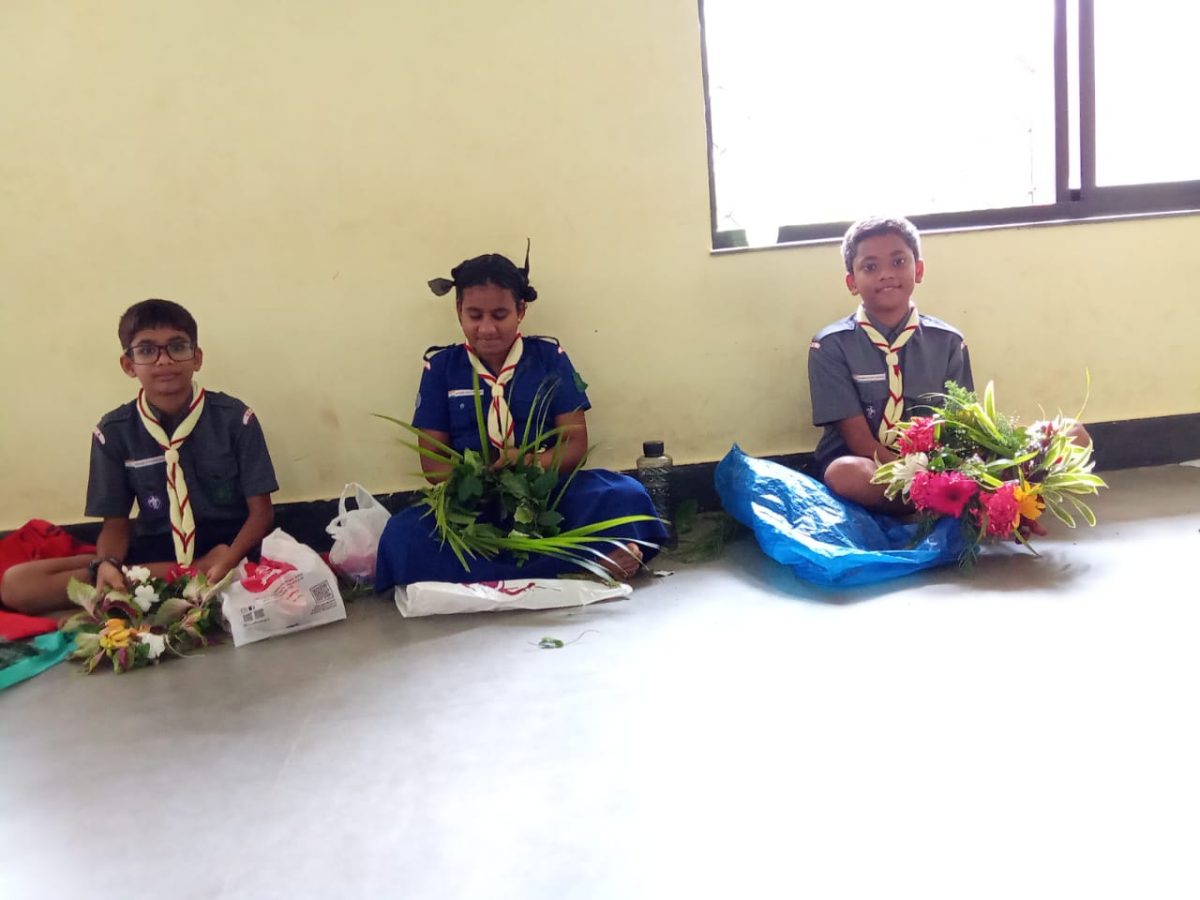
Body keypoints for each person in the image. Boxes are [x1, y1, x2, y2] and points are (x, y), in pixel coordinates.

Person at [374, 249, 668, 590]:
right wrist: (479, 479)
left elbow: (574, 444)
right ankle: (588, 560)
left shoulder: (549, 358)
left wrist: (528, 464)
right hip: (473, 507)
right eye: (474, 315)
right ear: (458, 311)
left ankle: (501, 572)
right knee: (402, 534)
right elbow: (432, 462)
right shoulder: (440, 368)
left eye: (500, 315)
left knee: (626, 495)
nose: (486, 328)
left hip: (548, 496)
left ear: (521, 311)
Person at [0, 299, 277, 614]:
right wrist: (108, 562)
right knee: (17, 584)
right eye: (147, 350)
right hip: (155, 548)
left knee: (250, 566)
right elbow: (115, 525)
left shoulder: (235, 419)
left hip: (231, 547)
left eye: (177, 347)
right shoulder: (113, 431)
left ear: (197, 358)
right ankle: (179, 571)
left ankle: (176, 572)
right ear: (128, 365)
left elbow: (262, 514)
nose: (164, 360)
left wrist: (228, 560)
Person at [807, 216, 972, 511]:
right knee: (845, 473)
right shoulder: (830, 345)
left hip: (935, 464)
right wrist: (913, 477)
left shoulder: (948, 342)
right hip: (870, 467)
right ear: (852, 282)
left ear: (918, 270)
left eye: (898, 262)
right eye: (870, 267)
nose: (886, 274)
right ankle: (929, 502)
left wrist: (941, 470)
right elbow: (858, 439)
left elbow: (960, 426)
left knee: (1021, 458)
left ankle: (930, 500)